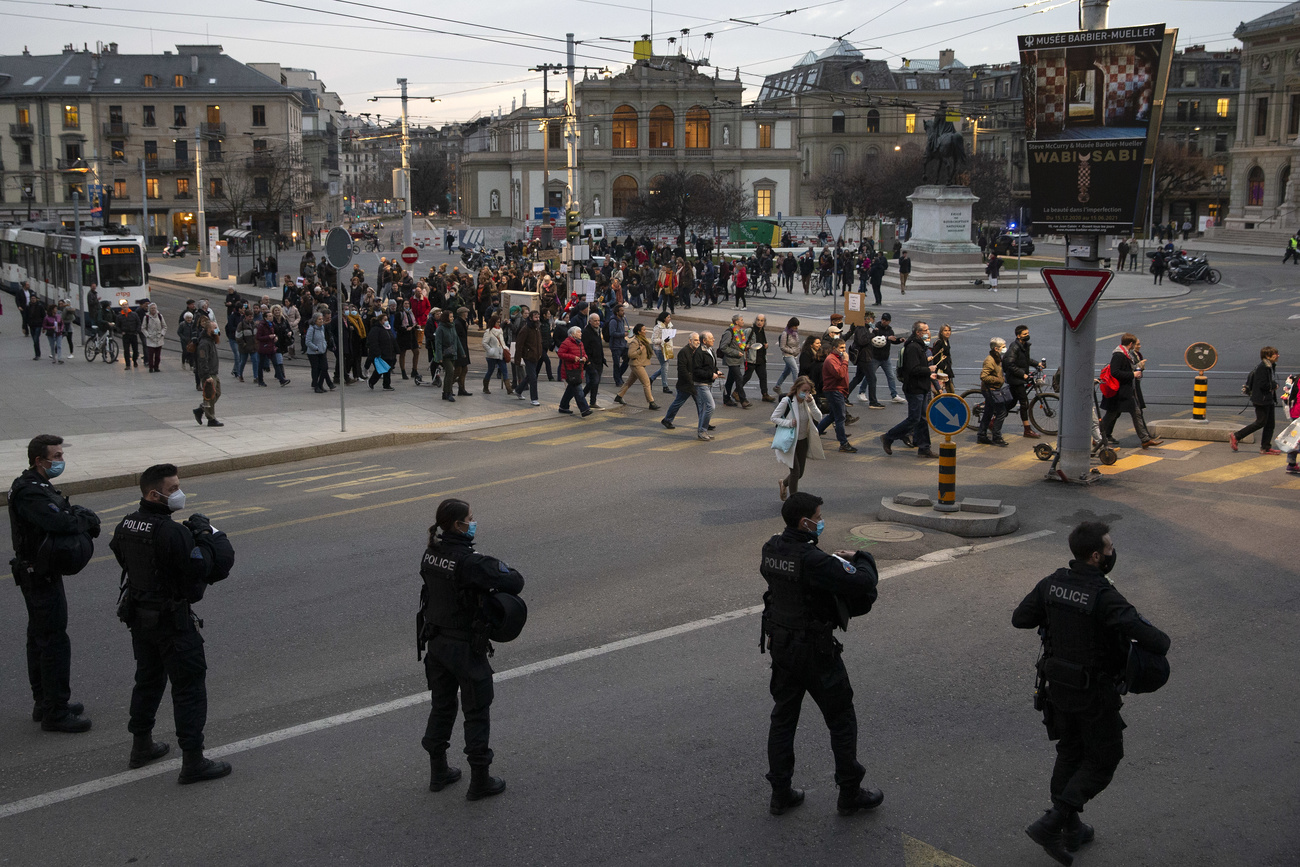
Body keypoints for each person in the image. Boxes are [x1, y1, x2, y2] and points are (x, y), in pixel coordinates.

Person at [1012, 521, 1170, 865]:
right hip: (1093, 694)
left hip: (1057, 689)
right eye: (1110, 548)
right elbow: (1158, 642)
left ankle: (1072, 828)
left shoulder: (1052, 583)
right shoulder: (1104, 596)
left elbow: (1020, 619)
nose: (1113, 553)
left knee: (1070, 751)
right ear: (1097, 556)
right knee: (1103, 759)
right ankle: (1053, 822)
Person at [760, 492, 883, 817]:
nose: (821, 521)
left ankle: (780, 793)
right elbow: (863, 583)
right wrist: (861, 555)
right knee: (841, 718)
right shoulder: (814, 560)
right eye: (818, 516)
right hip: (814, 651)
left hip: (781, 645)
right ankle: (850, 791)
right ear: (805, 522)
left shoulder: (771, 549)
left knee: (783, 718)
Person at [110, 464, 235, 783]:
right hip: (171, 621)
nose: (179, 493)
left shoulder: (126, 524)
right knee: (189, 687)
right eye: (172, 488)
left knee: (148, 679)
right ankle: (193, 761)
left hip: (140, 616)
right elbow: (205, 569)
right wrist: (206, 535)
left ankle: (141, 745)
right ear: (154, 494)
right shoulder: (171, 531)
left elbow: (121, 555)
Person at [418, 498, 525, 800]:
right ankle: (480, 780)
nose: (473, 522)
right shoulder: (470, 562)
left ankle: (438, 772)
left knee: (442, 706)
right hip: (465, 648)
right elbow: (515, 581)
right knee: (476, 710)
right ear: (457, 525)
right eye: (470, 518)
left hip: (436, 645)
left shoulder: (430, 554)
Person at [8, 434, 99, 731]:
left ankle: (45, 702)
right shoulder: (29, 492)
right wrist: (85, 520)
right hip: (39, 575)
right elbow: (61, 521)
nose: (61, 460)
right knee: (52, 641)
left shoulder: (38, 485)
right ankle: (55, 711)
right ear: (39, 460)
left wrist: (75, 515)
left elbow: (63, 513)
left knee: (40, 638)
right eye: (56, 456)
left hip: (42, 572)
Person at [881, 321, 938, 459]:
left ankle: (924, 448)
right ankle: (889, 437)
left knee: (923, 419)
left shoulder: (920, 346)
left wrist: (928, 374)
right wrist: (928, 369)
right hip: (915, 388)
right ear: (918, 333)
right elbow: (913, 369)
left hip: (922, 387)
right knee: (914, 419)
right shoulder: (912, 347)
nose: (928, 332)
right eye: (925, 330)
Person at [1098, 334, 1162, 449]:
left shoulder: (1126, 354)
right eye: (1136, 344)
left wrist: (1137, 368)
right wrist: (1132, 374)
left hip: (1125, 392)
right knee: (1113, 414)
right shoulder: (1118, 355)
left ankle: (1145, 439)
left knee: (1132, 412)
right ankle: (1097, 437)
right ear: (1131, 344)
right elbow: (1115, 372)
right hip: (1119, 392)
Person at [772, 376, 825, 501]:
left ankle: (783, 483)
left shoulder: (808, 402)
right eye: (804, 390)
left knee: (799, 473)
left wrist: (812, 403)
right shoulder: (787, 400)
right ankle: (794, 501)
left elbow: (819, 417)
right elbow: (774, 418)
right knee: (795, 471)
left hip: (803, 440)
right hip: (790, 441)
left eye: (809, 391)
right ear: (796, 388)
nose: (806, 393)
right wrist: (789, 423)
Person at [1231, 346, 1283, 455]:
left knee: (1270, 424)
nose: (1278, 356)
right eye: (1275, 354)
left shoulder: (1270, 366)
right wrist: (1274, 385)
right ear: (1268, 356)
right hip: (1261, 400)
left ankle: (1265, 448)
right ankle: (1237, 436)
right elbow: (1263, 384)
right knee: (1261, 422)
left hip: (1268, 399)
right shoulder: (1263, 367)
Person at [815, 339, 857, 452]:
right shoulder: (831, 360)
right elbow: (840, 374)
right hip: (834, 391)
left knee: (833, 416)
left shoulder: (838, 358)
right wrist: (846, 361)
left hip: (839, 391)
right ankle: (843, 443)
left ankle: (814, 434)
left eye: (844, 347)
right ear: (834, 348)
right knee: (840, 417)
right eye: (841, 348)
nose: (844, 350)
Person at [1004, 325, 1042, 439]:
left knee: (1011, 402)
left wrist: (1037, 364)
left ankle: (994, 419)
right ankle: (1027, 429)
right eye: (1025, 334)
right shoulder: (1014, 347)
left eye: (1028, 333)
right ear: (1018, 335)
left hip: (1020, 378)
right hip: (1015, 379)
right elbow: (1010, 364)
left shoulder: (1025, 346)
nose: (1027, 335)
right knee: (1024, 403)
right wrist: (1023, 374)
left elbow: (1025, 360)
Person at [660, 332, 700, 431]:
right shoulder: (684, 352)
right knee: (678, 402)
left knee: (700, 403)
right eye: (695, 340)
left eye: (698, 340)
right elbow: (682, 369)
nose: (697, 342)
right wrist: (690, 381)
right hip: (685, 384)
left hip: (695, 382)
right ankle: (667, 419)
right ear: (690, 341)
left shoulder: (697, 351)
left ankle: (704, 423)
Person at [613, 323, 659, 409]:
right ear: (639, 332)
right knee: (646, 383)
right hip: (637, 365)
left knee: (629, 382)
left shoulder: (643, 340)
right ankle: (651, 402)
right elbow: (630, 354)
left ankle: (619, 396)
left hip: (640, 364)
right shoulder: (635, 342)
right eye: (644, 330)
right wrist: (639, 350)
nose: (645, 331)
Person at [976, 337, 1011, 446]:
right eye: (1003, 347)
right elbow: (984, 376)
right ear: (996, 348)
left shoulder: (997, 358)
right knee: (1001, 412)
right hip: (990, 390)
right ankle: (997, 437)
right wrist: (998, 379)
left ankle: (982, 435)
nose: (1005, 349)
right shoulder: (990, 360)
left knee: (988, 412)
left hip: (994, 389)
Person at [192, 320, 224, 427]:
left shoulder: (211, 340)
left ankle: (201, 409)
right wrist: (206, 376)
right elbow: (202, 360)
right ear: (209, 330)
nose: (217, 330)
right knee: (209, 396)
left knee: (217, 393)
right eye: (215, 328)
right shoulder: (204, 343)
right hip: (209, 374)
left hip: (214, 372)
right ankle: (211, 418)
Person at [556, 326, 593, 417]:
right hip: (570, 370)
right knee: (578, 390)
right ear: (573, 334)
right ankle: (584, 409)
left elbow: (583, 353)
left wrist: (585, 357)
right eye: (579, 332)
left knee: (570, 390)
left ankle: (563, 407)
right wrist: (573, 358)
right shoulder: (567, 342)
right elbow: (560, 353)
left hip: (577, 369)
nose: (581, 334)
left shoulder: (580, 343)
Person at [868, 313, 905, 404]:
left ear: (889, 321)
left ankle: (894, 395)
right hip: (875, 357)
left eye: (886, 320)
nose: (883, 321)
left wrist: (899, 340)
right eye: (883, 319)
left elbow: (892, 340)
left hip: (885, 358)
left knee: (891, 376)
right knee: (869, 376)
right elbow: (877, 339)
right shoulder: (876, 328)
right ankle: (861, 391)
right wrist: (888, 338)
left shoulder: (890, 330)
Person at [693, 331, 722, 440]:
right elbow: (696, 370)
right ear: (704, 341)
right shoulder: (699, 352)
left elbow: (711, 365)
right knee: (711, 406)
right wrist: (711, 374)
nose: (713, 340)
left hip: (708, 382)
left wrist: (717, 371)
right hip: (701, 383)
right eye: (711, 338)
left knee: (704, 408)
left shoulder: (710, 350)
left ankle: (702, 431)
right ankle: (703, 430)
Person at [741, 314, 774, 402]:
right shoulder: (750, 330)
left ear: (764, 322)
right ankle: (737, 391)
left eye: (762, 320)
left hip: (761, 358)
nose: (759, 322)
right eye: (758, 320)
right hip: (751, 359)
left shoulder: (762, 331)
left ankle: (765, 394)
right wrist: (746, 346)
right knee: (747, 377)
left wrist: (766, 346)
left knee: (763, 377)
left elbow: (762, 343)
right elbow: (741, 342)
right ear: (755, 321)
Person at [719, 314, 750, 409]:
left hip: (737, 360)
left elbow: (740, 345)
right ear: (736, 322)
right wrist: (736, 352)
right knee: (739, 378)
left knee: (730, 380)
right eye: (741, 320)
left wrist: (745, 347)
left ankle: (726, 398)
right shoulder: (729, 332)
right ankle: (743, 400)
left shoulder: (740, 332)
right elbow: (723, 347)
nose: (743, 321)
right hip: (731, 360)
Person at [513, 309, 543, 405]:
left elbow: (538, 342)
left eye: (538, 317)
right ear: (530, 318)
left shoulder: (537, 328)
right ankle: (534, 398)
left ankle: (518, 390)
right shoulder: (525, 329)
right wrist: (517, 358)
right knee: (533, 377)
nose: (537, 319)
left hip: (536, 355)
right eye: (535, 317)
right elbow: (519, 344)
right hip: (528, 356)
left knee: (530, 376)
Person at [582, 313, 607, 409]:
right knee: (594, 381)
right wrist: (588, 361)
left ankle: (593, 401)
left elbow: (599, 346)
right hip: (591, 362)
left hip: (599, 361)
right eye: (595, 321)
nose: (597, 322)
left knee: (596, 382)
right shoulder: (586, 332)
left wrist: (602, 358)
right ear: (590, 321)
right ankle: (581, 396)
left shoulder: (597, 330)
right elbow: (584, 348)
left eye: (598, 320)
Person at [435, 311, 460, 402]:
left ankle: (446, 392)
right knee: (450, 371)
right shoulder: (440, 329)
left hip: (452, 353)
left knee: (449, 373)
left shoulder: (452, 326)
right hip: (445, 355)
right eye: (450, 317)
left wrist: (461, 352)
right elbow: (438, 343)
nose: (452, 318)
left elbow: (457, 339)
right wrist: (439, 357)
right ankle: (448, 392)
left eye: (452, 316)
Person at [648, 311, 675, 395]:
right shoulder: (658, 327)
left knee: (664, 367)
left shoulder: (669, 326)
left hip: (667, 348)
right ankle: (665, 386)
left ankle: (651, 379)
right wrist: (663, 341)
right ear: (664, 319)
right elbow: (653, 340)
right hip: (659, 349)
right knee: (665, 366)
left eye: (670, 317)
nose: (670, 318)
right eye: (668, 317)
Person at [481, 313, 508, 394]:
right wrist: (490, 350)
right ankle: (485, 387)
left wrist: (505, 348)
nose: (499, 323)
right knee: (490, 370)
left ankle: (508, 389)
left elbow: (502, 342)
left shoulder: (500, 330)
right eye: (497, 322)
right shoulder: (489, 331)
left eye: (499, 322)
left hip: (501, 353)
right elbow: (484, 343)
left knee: (504, 370)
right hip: (492, 355)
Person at [368, 315, 396, 390]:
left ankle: (386, 385)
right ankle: (372, 381)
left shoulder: (388, 329)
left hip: (389, 353)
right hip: (381, 353)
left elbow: (392, 340)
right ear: (380, 321)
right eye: (384, 320)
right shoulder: (376, 329)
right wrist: (377, 352)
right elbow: (373, 341)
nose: (386, 321)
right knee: (380, 370)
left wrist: (396, 350)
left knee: (387, 370)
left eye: (387, 319)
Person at [930, 323, 955, 394]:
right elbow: (935, 357)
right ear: (941, 332)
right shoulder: (939, 342)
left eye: (949, 330)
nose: (947, 332)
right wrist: (944, 367)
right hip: (941, 370)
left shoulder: (946, 341)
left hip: (946, 370)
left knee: (950, 391)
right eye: (945, 330)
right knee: (941, 392)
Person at [118, 299, 142, 369]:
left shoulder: (134, 314)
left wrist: (137, 331)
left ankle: (135, 360)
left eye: (126, 306)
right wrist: (121, 331)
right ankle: (127, 364)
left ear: (128, 306)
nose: (125, 307)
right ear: (121, 307)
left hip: (133, 334)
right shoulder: (119, 316)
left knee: (135, 350)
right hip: (126, 335)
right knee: (126, 350)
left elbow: (138, 323)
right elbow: (118, 326)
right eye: (123, 306)